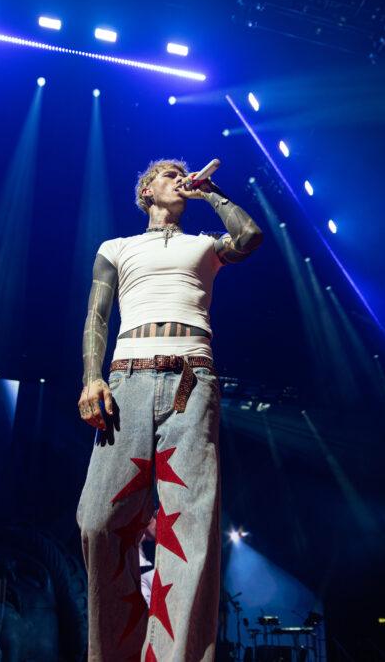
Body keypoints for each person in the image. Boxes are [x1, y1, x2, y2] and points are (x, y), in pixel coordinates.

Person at [75, 158, 263, 661]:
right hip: (127, 380)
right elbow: (96, 315)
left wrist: (211, 192)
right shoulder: (116, 248)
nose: (179, 178)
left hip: (191, 379)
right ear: (146, 191)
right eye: (168, 173)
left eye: (184, 173)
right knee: (97, 520)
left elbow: (249, 238)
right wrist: (92, 378)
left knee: (189, 526)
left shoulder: (203, 244)